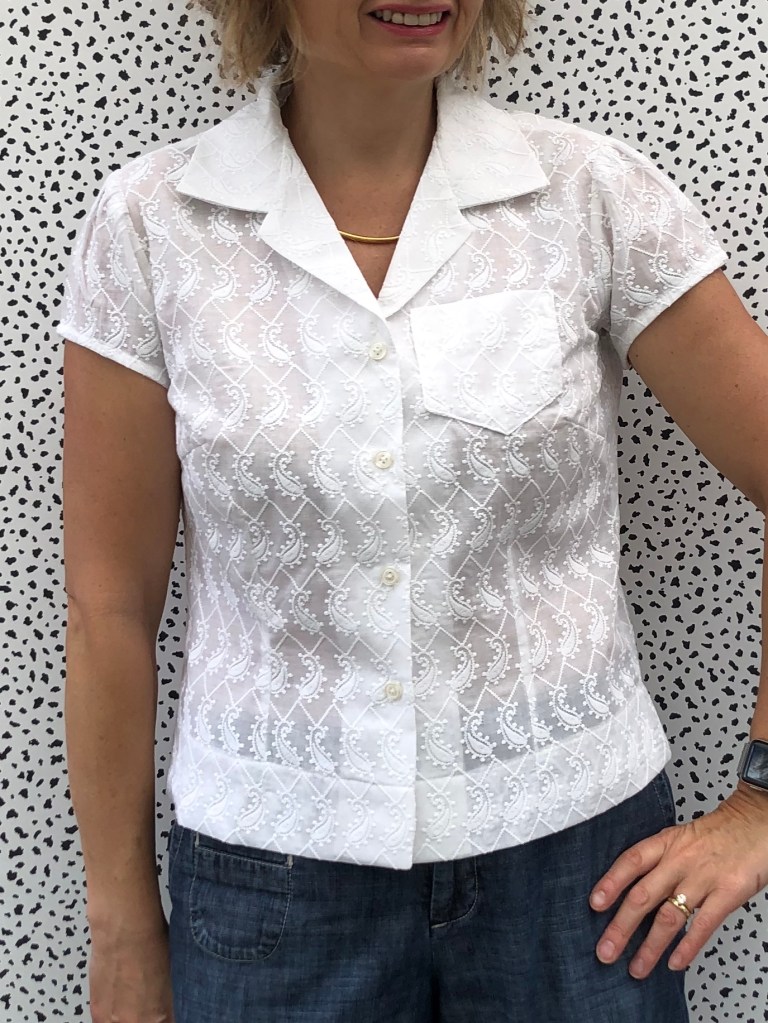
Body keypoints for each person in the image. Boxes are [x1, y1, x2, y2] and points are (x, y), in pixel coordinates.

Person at [56, 1, 768, 1021]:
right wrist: (121, 923)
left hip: (578, 877)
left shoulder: (589, 194)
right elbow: (110, 607)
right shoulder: (153, 225)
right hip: (271, 886)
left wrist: (762, 802)